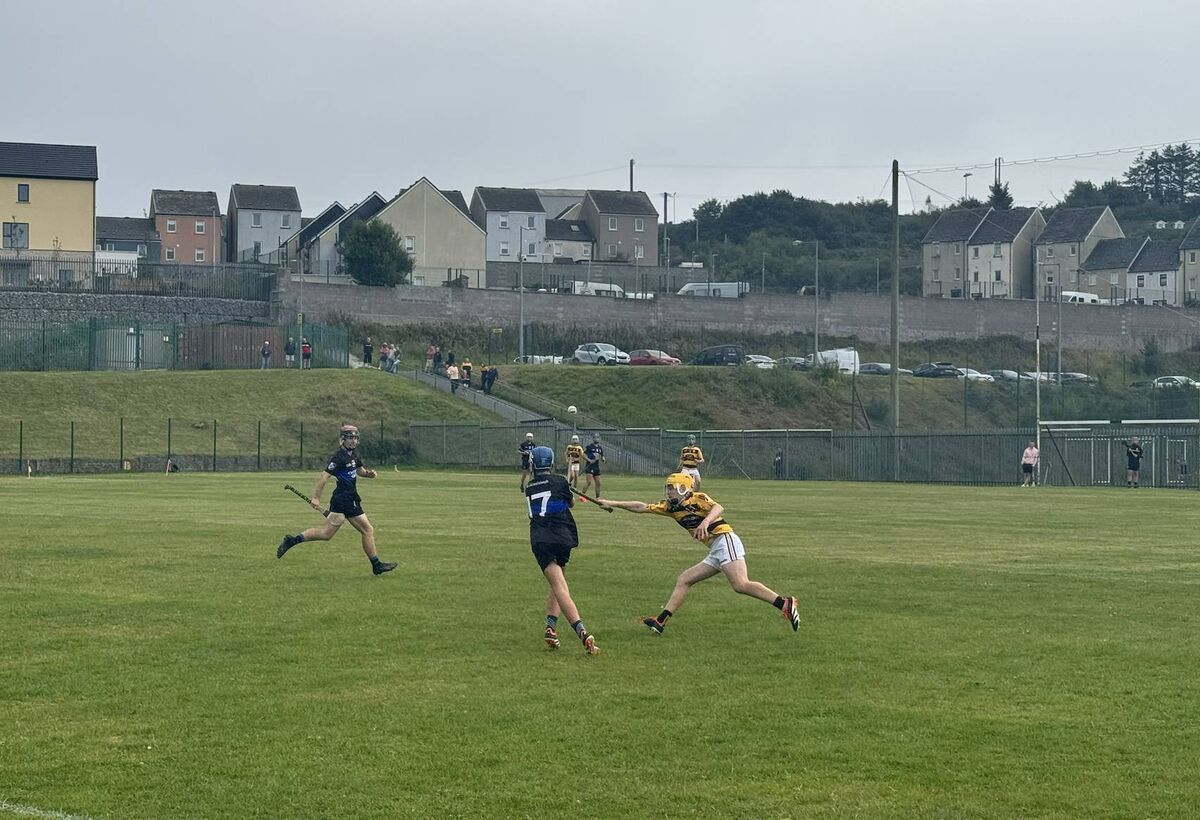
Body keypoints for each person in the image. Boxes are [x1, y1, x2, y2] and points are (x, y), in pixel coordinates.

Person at [597, 473, 799, 636]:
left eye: (672, 488)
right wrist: (611, 503)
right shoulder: (670, 507)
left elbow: (718, 507)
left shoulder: (697, 498)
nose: (669, 492)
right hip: (715, 549)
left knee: (741, 584)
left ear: (683, 488)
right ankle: (661, 621)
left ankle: (785, 603)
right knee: (685, 579)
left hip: (724, 539)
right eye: (668, 488)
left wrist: (705, 522)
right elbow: (641, 507)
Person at [276, 424, 397, 575]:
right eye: (350, 438)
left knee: (326, 534)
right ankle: (376, 565)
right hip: (346, 499)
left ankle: (292, 540)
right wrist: (316, 498)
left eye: (355, 438)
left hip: (343, 498)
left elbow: (360, 471)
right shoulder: (339, 457)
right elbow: (324, 477)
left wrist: (369, 474)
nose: (353, 441)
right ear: (342, 440)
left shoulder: (353, 455)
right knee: (367, 530)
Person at [524, 445, 599, 656]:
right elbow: (572, 503)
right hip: (563, 537)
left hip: (542, 539)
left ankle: (582, 632)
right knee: (559, 584)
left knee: (558, 586)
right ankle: (551, 628)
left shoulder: (529, 486)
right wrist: (565, 488)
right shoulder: (560, 481)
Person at [580, 432, 606, 497]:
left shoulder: (600, 448)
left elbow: (602, 455)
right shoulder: (590, 447)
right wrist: (589, 460)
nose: (596, 439)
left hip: (596, 467)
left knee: (598, 483)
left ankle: (598, 497)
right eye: (595, 437)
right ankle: (582, 496)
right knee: (589, 482)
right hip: (590, 467)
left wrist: (603, 459)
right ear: (593, 438)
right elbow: (583, 455)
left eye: (598, 437)